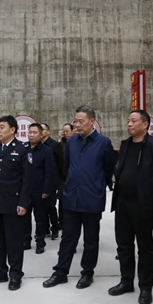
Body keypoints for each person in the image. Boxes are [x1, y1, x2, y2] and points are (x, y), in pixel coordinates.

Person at [43, 106, 115, 289]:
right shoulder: (72, 142)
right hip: (71, 197)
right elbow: (66, 167)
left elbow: (109, 169)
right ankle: (61, 272)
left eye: (81, 121)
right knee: (68, 238)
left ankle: (87, 273)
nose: (76, 124)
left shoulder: (103, 142)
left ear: (92, 121)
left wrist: (97, 186)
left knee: (90, 240)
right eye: (75, 121)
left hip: (92, 198)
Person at [109, 110, 153, 304]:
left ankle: (146, 287)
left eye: (133, 121)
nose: (129, 124)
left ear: (145, 124)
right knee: (124, 246)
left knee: (144, 248)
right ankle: (126, 281)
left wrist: (152, 195)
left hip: (143, 206)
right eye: (128, 120)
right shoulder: (125, 144)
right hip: (122, 203)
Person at [0, 116, 31, 291]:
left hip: (13, 203)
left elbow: (27, 180)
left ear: (12, 130)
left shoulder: (22, 150)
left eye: (2, 127)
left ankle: (15, 274)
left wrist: (23, 203)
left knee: (14, 241)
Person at [24, 123, 57, 254]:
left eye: (34, 133)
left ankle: (40, 242)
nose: (31, 135)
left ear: (41, 135)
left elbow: (49, 172)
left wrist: (46, 190)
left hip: (39, 190)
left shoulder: (46, 151)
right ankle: (26, 240)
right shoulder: (23, 148)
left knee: (40, 218)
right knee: (24, 217)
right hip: (25, 190)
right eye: (30, 132)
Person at [40, 123, 63, 238]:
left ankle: (54, 227)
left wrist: (59, 183)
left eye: (43, 129)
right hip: (39, 182)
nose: (41, 132)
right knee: (41, 208)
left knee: (50, 207)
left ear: (48, 131)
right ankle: (45, 229)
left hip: (52, 182)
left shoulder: (55, 145)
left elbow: (60, 165)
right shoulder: (37, 146)